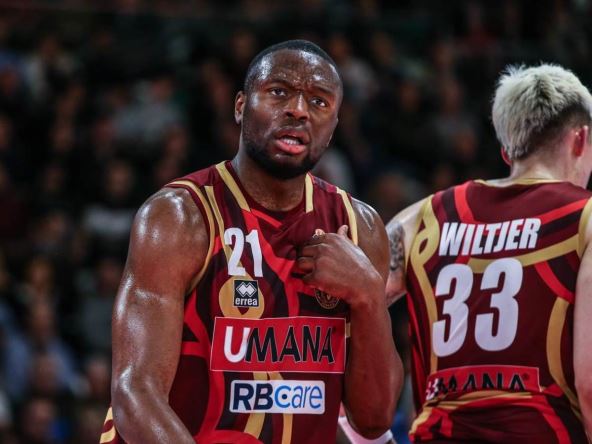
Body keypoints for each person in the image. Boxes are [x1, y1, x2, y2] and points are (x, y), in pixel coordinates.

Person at [100, 40, 403, 444]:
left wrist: (368, 295)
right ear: (240, 106)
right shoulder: (180, 217)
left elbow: (373, 419)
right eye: (279, 92)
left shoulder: (360, 228)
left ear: (333, 126)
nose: (299, 110)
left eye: (318, 101)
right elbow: (136, 393)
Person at [385, 63, 592, 443]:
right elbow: (590, 381)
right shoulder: (585, 218)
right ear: (581, 140)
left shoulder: (421, 218)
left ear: (506, 151)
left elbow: (341, 318)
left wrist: (367, 434)